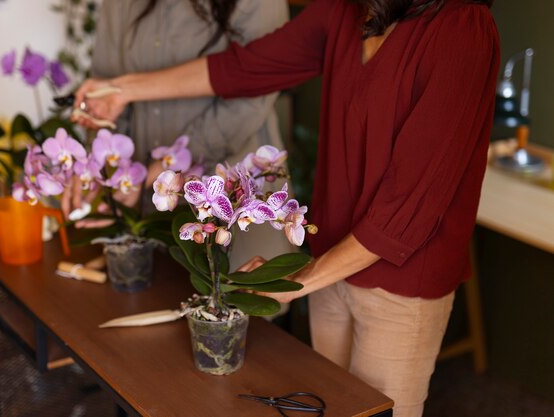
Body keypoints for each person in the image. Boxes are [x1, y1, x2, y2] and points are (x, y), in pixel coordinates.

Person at [72, 0, 499, 415]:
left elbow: (405, 213)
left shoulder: (462, 28)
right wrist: (122, 91)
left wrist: (297, 279)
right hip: (332, 264)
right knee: (326, 406)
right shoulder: (348, 11)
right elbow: (243, 68)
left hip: (401, 285)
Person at [66, 0, 295, 269]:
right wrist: (111, 168)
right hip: (149, 195)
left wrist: (169, 167)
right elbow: (106, 87)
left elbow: (255, 90)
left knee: (232, 295)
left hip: (232, 181)